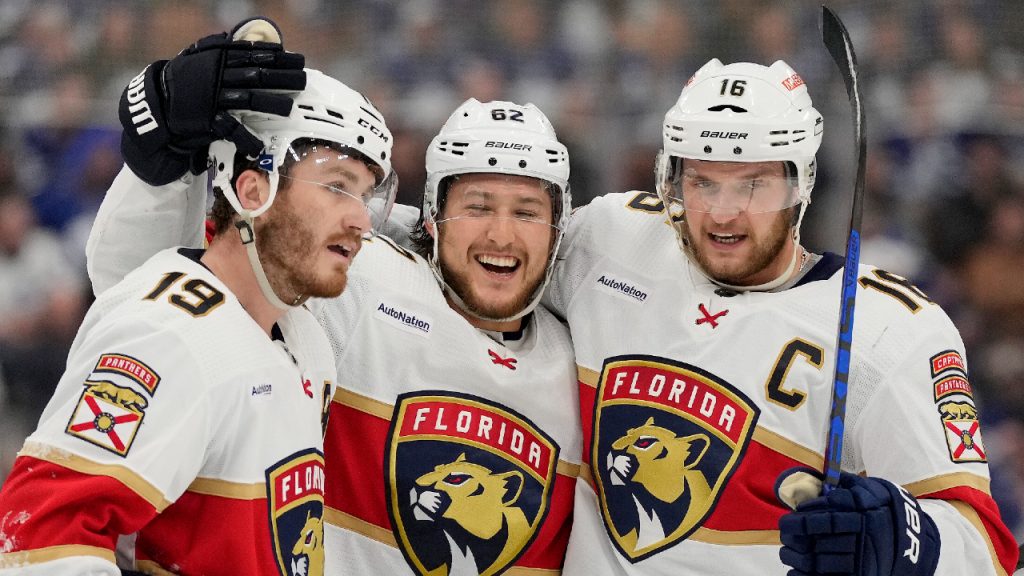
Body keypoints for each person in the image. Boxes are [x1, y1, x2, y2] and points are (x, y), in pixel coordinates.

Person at [543, 58, 1019, 575]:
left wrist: (899, 539)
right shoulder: (609, 241)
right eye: (702, 183)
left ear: (800, 184)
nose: (723, 213)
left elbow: (985, 549)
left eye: (752, 185)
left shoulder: (891, 328)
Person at [85, 83, 580, 576]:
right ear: (433, 217)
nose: (501, 234)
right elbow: (144, 279)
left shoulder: (582, 355)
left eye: (527, 212)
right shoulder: (362, 282)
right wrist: (163, 159)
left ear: (560, 227)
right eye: (476, 207)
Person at [0, 18, 397, 576]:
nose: (361, 218)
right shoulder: (171, 335)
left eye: (364, 194)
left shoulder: (303, 337)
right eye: (336, 185)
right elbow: (37, 537)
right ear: (252, 188)